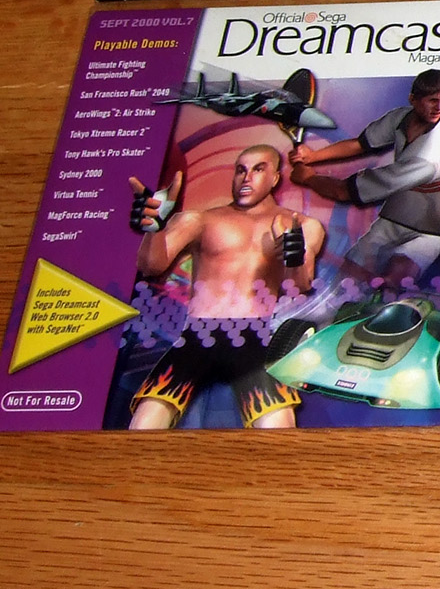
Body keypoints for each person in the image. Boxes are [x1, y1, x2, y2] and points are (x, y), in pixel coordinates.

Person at [126, 144, 326, 429]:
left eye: (258, 169)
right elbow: (152, 266)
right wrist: (154, 229)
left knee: (280, 430)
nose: (247, 178)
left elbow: (300, 284)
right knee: (143, 424)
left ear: (275, 178)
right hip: (198, 333)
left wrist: (292, 256)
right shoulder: (201, 219)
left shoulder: (302, 225)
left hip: (254, 337)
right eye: (240, 170)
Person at [289, 69, 440, 288]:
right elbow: (361, 145)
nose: (439, 107)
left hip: (436, 226)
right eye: (433, 100)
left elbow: (344, 191)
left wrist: (308, 178)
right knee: (346, 278)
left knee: (394, 281)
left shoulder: (429, 158)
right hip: (398, 214)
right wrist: (313, 156)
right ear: (413, 100)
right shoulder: (401, 117)